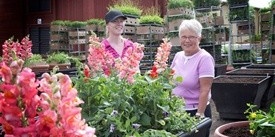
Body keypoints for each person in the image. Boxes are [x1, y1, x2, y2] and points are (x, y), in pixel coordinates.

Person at [170, 19, 214, 137]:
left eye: (191, 37)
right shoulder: (178, 56)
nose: (187, 40)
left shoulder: (204, 58)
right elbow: (169, 79)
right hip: (176, 111)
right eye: (183, 37)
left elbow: (205, 90)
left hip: (194, 111)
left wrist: (199, 116)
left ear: (199, 38)